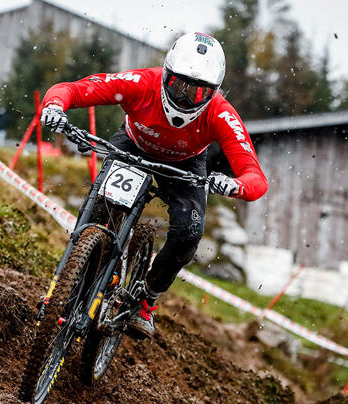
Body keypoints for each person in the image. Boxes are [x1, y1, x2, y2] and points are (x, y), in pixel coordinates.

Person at [40, 32, 268, 337]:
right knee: (99, 208)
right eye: (178, 85)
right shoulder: (141, 83)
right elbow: (75, 89)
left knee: (189, 232)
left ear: (213, 93)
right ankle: (67, 282)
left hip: (186, 164)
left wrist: (233, 185)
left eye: (197, 93)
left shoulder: (221, 113)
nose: (184, 98)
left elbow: (256, 178)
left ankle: (146, 299)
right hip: (133, 144)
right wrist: (55, 106)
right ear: (166, 75)